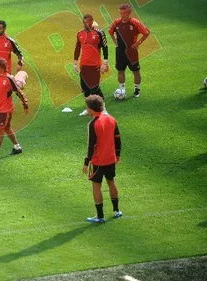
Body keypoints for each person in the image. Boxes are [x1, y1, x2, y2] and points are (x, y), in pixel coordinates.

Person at [82, 95, 123, 223]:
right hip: (111, 158)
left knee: (96, 186)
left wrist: (86, 162)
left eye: (87, 107)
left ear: (91, 109)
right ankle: (116, 210)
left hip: (98, 161)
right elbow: (118, 138)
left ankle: (100, 216)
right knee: (111, 181)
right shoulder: (111, 119)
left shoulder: (92, 124)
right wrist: (118, 155)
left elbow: (91, 145)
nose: (87, 110)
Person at [108, 3, 150, 98]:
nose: (122, 15)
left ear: (129, 13)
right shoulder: (116, 22)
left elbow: (146, 33)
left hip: (132, 52)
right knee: (120, 70)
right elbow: (110, 32)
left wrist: (137, 43)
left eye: (124, 13)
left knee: (136, 71)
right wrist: (115, 42)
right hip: (120, 52)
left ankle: (137, 89)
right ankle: (122, 89)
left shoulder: (135, 22)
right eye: (121, 13)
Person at [73, 14, 109, 116]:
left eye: (88, 22)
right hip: (84, 65)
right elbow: (77, 48)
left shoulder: (99, 33)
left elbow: (105, 47)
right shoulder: (80, 33)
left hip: (95, 65)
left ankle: (103, 109)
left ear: (92, 21)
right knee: (85, 89)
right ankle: (89, 108)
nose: (85, 24)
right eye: (84, 22)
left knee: (95, 88)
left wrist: (105, 62)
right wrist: (75, 62)